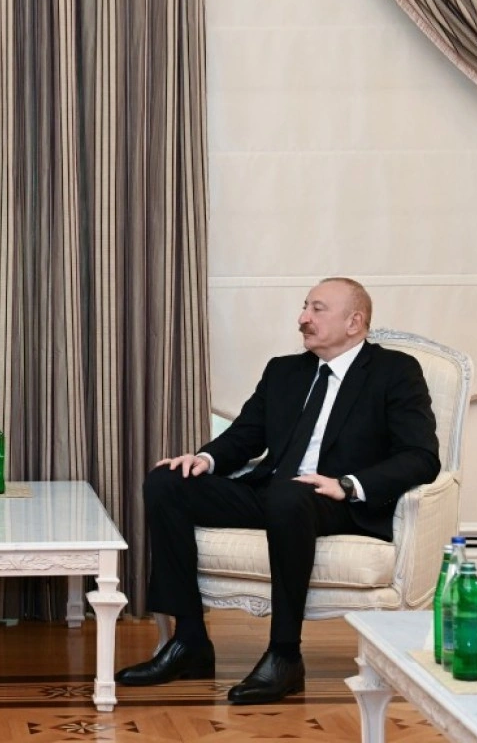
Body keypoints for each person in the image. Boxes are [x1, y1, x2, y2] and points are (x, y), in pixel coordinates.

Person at [115, 277, 440, 704]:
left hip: (338, 501)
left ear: (354, 322)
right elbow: (245, 436)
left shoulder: (394, 372)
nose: (303, 318)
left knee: (289, 495)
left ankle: (284, 654)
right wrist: (205, 459)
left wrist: (348, 485)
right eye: (305, 307)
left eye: (317, 309)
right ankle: (189, 641)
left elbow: (421, 456)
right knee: (167, 482)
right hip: (274, 493)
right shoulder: (284, 371)